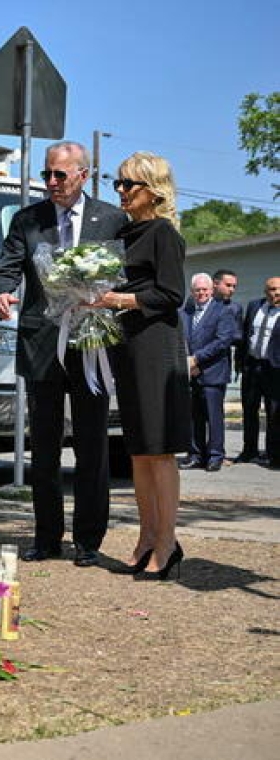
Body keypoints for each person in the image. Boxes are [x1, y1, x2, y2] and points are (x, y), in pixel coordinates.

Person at [0, 141, 128, 567]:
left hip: (90, 345)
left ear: (83, 176)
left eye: (60, 175)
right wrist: (2, 291)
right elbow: (7, 265)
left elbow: (126, 273)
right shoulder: (27, 219)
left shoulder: (112, 220)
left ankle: (88, 540)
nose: (51, 182)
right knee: (44, 448)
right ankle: (47, 537)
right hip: (42, 343)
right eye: (47, 174)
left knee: (91, 446)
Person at [95, 151, 191, 580]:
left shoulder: (163, 233)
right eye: (117, 183)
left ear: (152, 190)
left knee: (159, 448)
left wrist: (122, 299)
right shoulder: (126, 233)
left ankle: (167, 541)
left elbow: (172, 294)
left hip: (155, 344)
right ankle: (146, 535)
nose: (120, 191)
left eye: (128, 185)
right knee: (137, 448)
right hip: (127, 343)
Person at [179, 273, 237, 472]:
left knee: (213, 417)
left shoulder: (223, 311)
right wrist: (188, 363)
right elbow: (181, 340)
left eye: (205, 289)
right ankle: (196, 454)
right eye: (197, 290)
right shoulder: (185, 312)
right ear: (192, 291)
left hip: (212, 373)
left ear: (212, 290)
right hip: (191, 373)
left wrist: (197, 360)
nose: (201, 293)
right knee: (194, 417)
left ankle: (215, 456)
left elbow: (223, 341)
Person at [238, 277, 280, 467]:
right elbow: (245, 334)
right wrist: (240, 363)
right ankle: (249, 451)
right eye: (272, 289)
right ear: (265, 291)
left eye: (279, 289)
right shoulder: (255, 306)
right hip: (252, 367)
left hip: (275, 370)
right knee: (249, 410)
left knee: (274, 413)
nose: (276, 293)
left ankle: (274, 454)